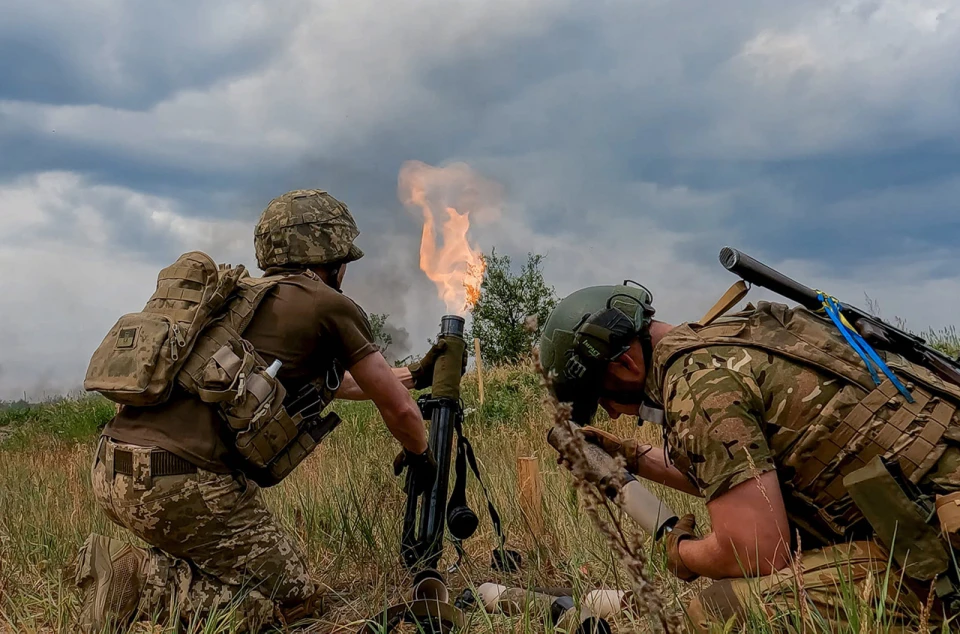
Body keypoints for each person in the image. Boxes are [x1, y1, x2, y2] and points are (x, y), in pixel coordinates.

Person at [73, 189, 462, 633]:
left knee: (233, 565)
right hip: (186, 483)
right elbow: (402, 412)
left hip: (113, 469)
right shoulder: (329, 305)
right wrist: (420, 456)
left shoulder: (242, 299)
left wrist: (414, 372)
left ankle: (154, 575)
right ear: (331, 255)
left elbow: (344, 385)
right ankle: (139, 579)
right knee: (291, 600)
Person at [539, 280, 960, 632]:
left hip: (942, 551)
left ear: (628, 365)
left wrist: (680, 549)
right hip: (929, 511)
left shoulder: (695, 386)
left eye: (602, 398)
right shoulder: (742, 335)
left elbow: (756, 551)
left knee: (717, 611)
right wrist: (633, 457)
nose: (611, 412)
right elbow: (749, 469)